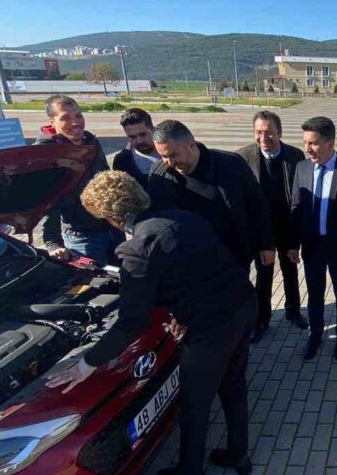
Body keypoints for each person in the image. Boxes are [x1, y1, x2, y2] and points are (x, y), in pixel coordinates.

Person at [47, 171, 256, 475]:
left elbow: (131, 321)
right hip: (242, 305)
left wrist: (86, 362)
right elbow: (193, 272)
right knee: (234, 384)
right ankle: (239, 456)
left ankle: (191, 473)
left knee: (195, 400)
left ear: (110, 217)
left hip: (210, 328)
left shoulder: (136, 249)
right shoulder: (185, 217)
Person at [287, 117, 337, 362]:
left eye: (313, 143)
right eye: (305, 143)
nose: (308, 149)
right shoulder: (301, 168)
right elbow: (295, 207)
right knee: (314, 294)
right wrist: (293, 245)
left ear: (330, 143)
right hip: (312, 247)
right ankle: (315, 336)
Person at [148, 120, 274, 272]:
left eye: (173, 155)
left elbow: (256, 204)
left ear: (191, 145)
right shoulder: (158, 174)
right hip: (184, 264)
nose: (169, 162)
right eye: (162, 156)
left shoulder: (231, 165)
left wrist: (265, 244)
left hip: (231, 260)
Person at [236, 111, 309, 342]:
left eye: (269, 132)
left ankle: (294, 312)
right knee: (264, 275)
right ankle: (262, 320)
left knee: (290, 271)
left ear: (280, 132)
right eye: (259, 132)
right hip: (261, 229)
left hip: (287, 225)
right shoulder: (243, 157)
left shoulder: (295, 156)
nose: (264, 137)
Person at [34, 94, 119, 265]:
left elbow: (106, 181)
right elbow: (46, 202)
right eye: (65, 118)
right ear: (52, 122)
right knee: (101, 285)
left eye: (78, 115)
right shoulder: (45, 154)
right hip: (83, 238)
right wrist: (52, 243)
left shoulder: (92, 143)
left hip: (113, 229)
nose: (75, 122)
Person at [113, 108, 161, 188]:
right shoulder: (121, 161)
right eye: (132, 137)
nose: (139, 141)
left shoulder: (172, 153)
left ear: (153, 129)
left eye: (143, 134)